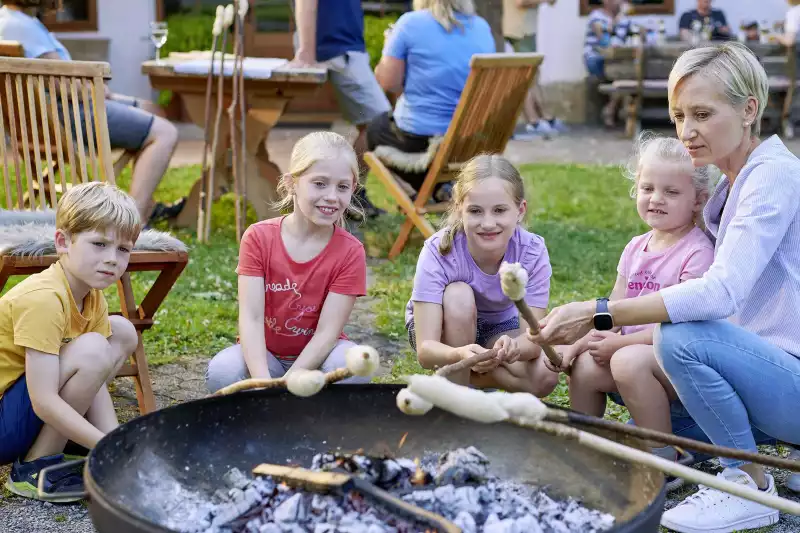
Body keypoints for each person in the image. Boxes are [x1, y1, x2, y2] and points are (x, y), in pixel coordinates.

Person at [529, 41, 800, 533]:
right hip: (758, 372)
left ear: (749, 110)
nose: (687, 131)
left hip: (789, 379)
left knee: (680, 335)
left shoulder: (774, 177)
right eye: (678, 115)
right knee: (638, 420)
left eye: (702, 113)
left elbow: (719, 295)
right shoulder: (728, 185)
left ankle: (749, 484)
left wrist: (600, 313)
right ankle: (700, 454)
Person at [548, 134, 715, 491]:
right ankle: (586, 442)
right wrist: (579, 345)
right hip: (630, 356)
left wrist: (618, 347)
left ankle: (666, 457)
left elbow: (684, 326)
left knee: (626, 361)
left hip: (674, 364)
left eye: (671, 192)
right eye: (648, 187)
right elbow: (612, 312)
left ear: (698, 200)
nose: (656, 198)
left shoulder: (697, 253)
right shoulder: (635, 248)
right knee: (587, 366)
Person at [0, 182, 140, 501]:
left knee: (121, 332)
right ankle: (33, 469)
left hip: (20, 408)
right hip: (3, 423)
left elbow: (98, 379)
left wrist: (113, 441)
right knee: (92, 348)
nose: (112, 260)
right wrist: (108, 447)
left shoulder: (91, 296)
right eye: (99, 244)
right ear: (63, 242)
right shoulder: (44, 299)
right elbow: (43, 401)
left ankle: (68, 443)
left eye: (123, 249)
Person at [205, 132, 370, 393]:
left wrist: (289, 383)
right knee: (223, 372)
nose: (331, 196)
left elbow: (327, 333)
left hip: (321, 358)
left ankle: (312, 419)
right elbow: (251, 317)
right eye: (319, 183)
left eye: (342, 187)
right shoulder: (258, 237)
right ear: (291, 183)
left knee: (352, 368)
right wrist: (263, 385)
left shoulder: (350, 252)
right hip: (266, 357)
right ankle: (270, 411)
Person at [0, 0, 182, 226]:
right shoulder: (22, 27)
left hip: (53, 117)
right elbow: (64, 85)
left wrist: (96, 90)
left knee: (152, 110)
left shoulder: (12, 20)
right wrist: (94, 87)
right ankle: (134, 221)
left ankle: (147, 203)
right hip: (70, 117)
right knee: (165, 133)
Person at [405, 154, 559, 396]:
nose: (488, 223)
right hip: (446, 328)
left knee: (544, 377)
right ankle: (457, 401)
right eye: (475, 211)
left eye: (499, 210)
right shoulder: (438, 251)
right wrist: (458, 354)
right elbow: (426, 351)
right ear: (459, 210)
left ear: (520, 210)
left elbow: (533, 341)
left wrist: (513, 348)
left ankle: (468, 380)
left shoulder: (531, 251)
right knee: (459, 295)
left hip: (499, 328)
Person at [367, 0, 494, 200]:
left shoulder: (410, 24)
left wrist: (389, 46)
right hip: (470, 143)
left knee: (375, 128)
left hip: (423, 145)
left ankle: (425, 195)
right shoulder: (481, 27)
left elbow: (387, 83)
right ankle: (439, 189)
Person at [287, 0, 392, 220]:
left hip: (347, 49)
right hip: (338, 50)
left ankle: (350, 194)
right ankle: (350, 195)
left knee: (376, 124)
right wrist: (306, 51)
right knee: (380, 123)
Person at [502, 0, 568, 140]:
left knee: (533, 74)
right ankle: (534, 122)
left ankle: (545, 119)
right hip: (519, 30)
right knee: (527, 76)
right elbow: (520, 2)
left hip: (526, 29)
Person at [583, 0, 629, 128]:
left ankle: (610, 108)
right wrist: (617, 20)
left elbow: (619, 42)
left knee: (626, 73)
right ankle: (612, 111)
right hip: (595, 59)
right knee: (622, 73)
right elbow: (604, 42)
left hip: (614, 59)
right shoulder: (596, 16)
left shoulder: (624, 19)